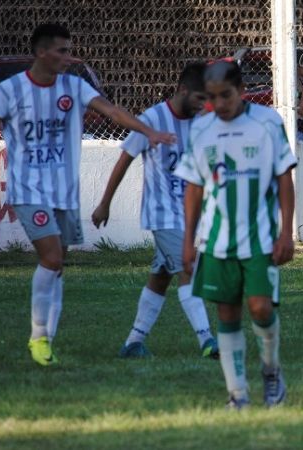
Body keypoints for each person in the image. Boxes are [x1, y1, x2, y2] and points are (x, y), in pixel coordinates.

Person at [0, 23, 176, 367]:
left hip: (65, 193)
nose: (68, 56)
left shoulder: (73, 87)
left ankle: (49, 341)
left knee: (58, 264)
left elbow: (112, 112)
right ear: (42, 52)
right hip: (29, 191)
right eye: (62, 50)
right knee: (51, 258)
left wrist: (148, 130)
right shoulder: (10, 90)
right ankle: (39, 339)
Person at [174, 60, 296, 409]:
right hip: (216, 240)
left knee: (259, 308)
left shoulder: (267, 122)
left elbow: (284, 177)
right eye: (212, 98)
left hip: (259, 237)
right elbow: (194, 188)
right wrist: (188, 242)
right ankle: (237, 395)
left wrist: (286, 232)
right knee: (227, 315)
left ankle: (271, 374)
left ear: (242, 90)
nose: (220, 104)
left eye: (226, 96)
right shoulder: (201, 128)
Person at [91, 63, 218, 360]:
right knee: (190, 268)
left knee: (161, 277)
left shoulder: (200, 122)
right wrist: (105, 202)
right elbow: (125, 159)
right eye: (200, 98)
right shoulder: (152, 118)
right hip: (162, 214)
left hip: (187, 215)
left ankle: (133, 342)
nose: (203, 105)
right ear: (183, 91)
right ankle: (207, 341)